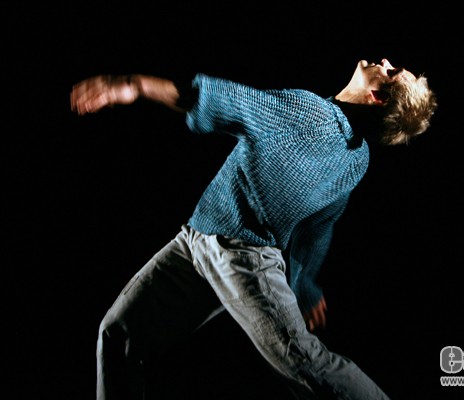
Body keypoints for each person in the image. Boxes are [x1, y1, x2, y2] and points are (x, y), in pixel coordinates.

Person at [70, 57, 437, 400]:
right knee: (119, 334)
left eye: (391, 73)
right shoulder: (358, 157)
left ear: (377, 97)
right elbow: (317, 228)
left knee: (305, 361)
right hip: (195, 244)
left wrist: (134, 84)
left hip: (243, 257)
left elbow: (228, 101)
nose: (385, 63)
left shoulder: (310, 112)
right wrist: (305, 286)